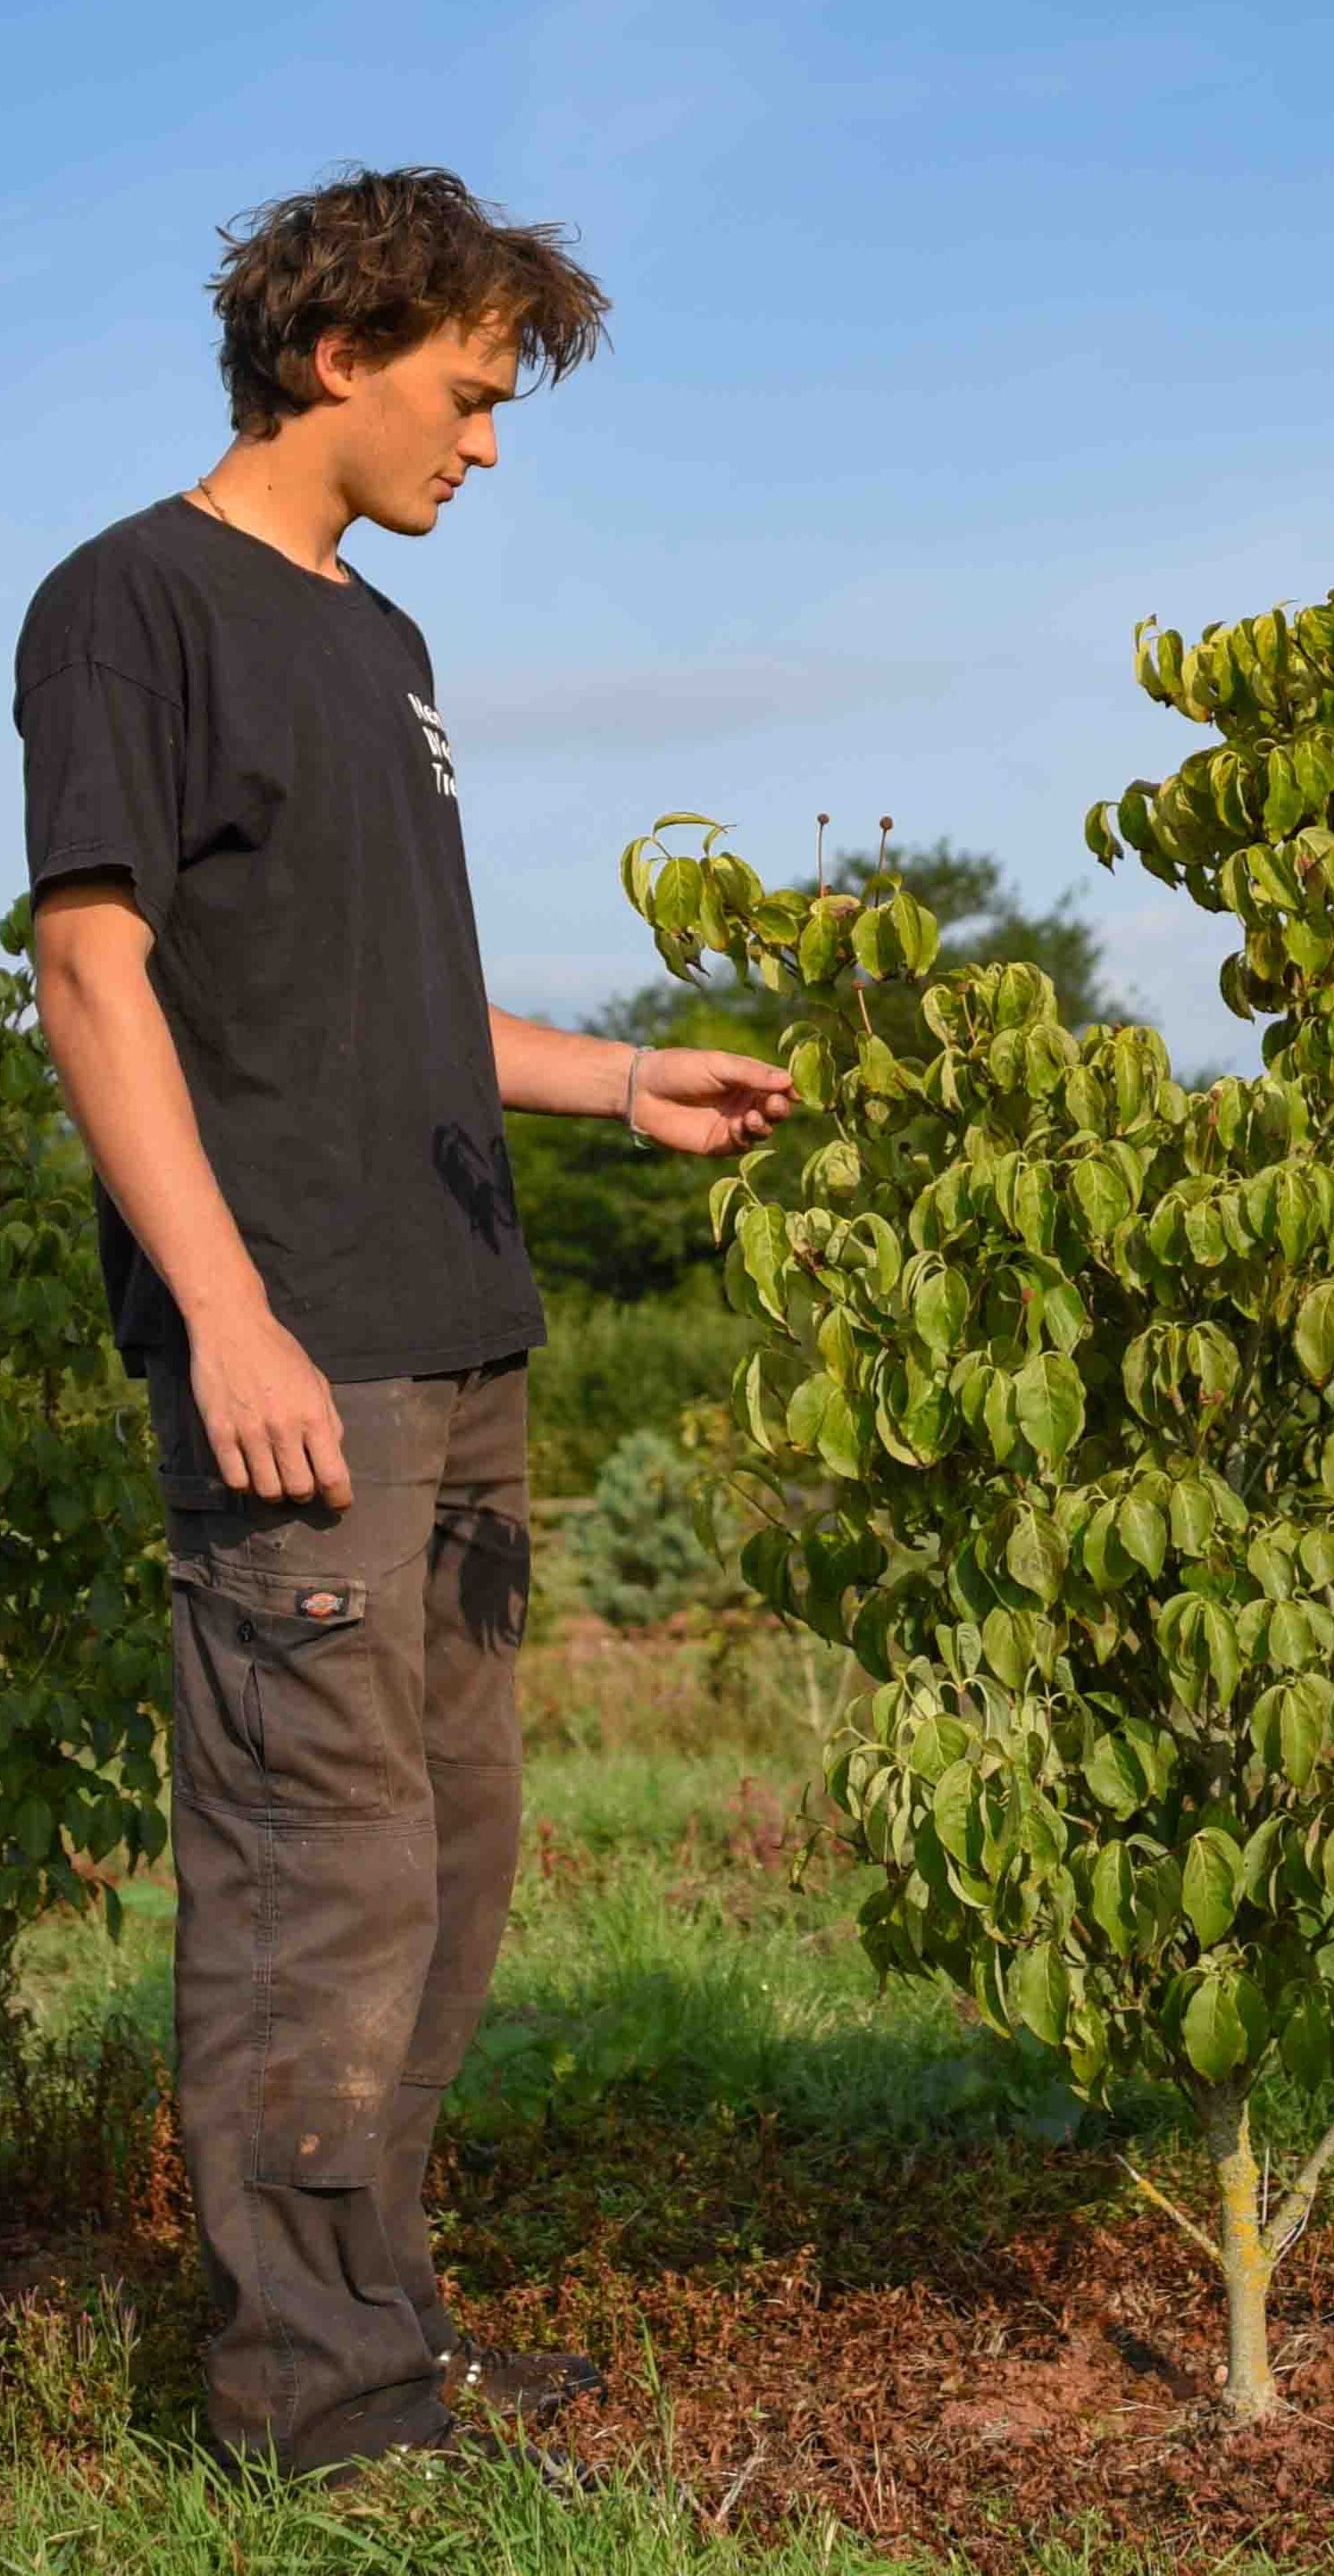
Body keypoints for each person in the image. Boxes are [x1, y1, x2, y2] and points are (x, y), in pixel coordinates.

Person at [13, 165, 796, 2482]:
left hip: (460, 1342)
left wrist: (619, 1075)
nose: (486, 442)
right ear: (335, 356)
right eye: (465, 394)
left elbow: (377, 1002)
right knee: (312, 1896)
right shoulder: (128, 604)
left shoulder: (376, 640)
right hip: (307, 1362)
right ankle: (312, 2413)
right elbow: (90, 966)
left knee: (439, 1881)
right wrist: (228, 1315)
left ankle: (384, 2327)